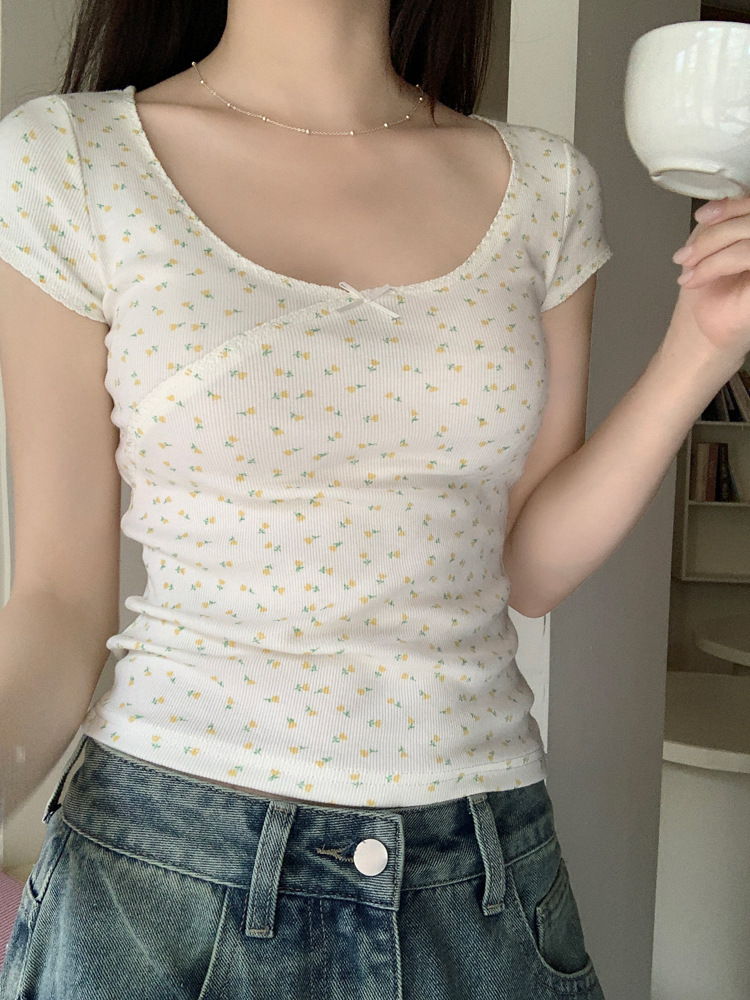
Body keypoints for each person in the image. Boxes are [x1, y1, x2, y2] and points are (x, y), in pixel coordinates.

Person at [0, 2, 748, 998]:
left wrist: (702, 347)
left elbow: (526, 565)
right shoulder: (72, 159)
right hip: (158, 878)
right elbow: (56, 600)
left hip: (478, 874)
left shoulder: (545, 187)